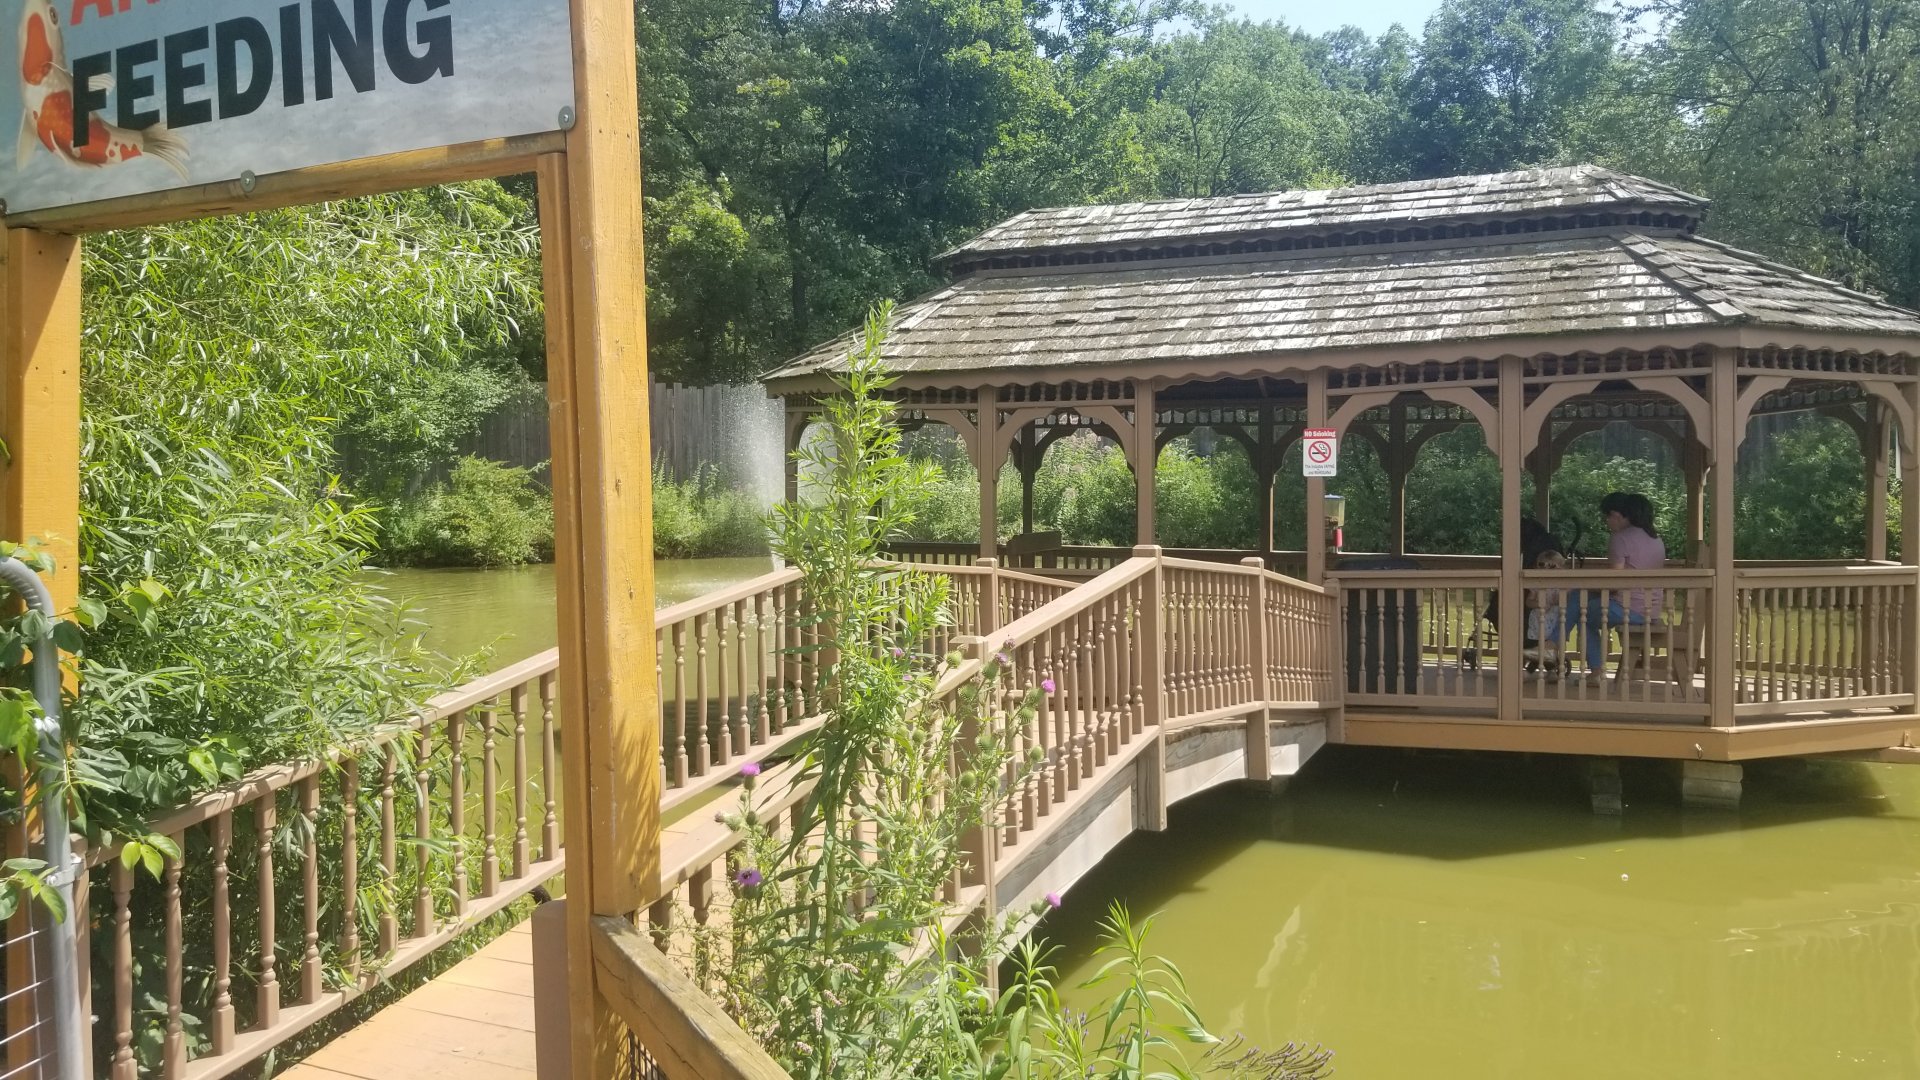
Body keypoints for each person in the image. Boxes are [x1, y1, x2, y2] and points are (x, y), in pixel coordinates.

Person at [1578, 492, 1666, 684]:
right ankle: (1551, 644)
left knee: (1581, 611)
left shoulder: (1621, 538)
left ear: (1619, 515)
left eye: (1607, 516)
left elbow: (1615, 582)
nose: (1607, 521)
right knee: (1583, 602)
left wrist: (1592, 587)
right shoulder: (1656, 539)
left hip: (1629, 609)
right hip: (1652, 610)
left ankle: (1595, 672)